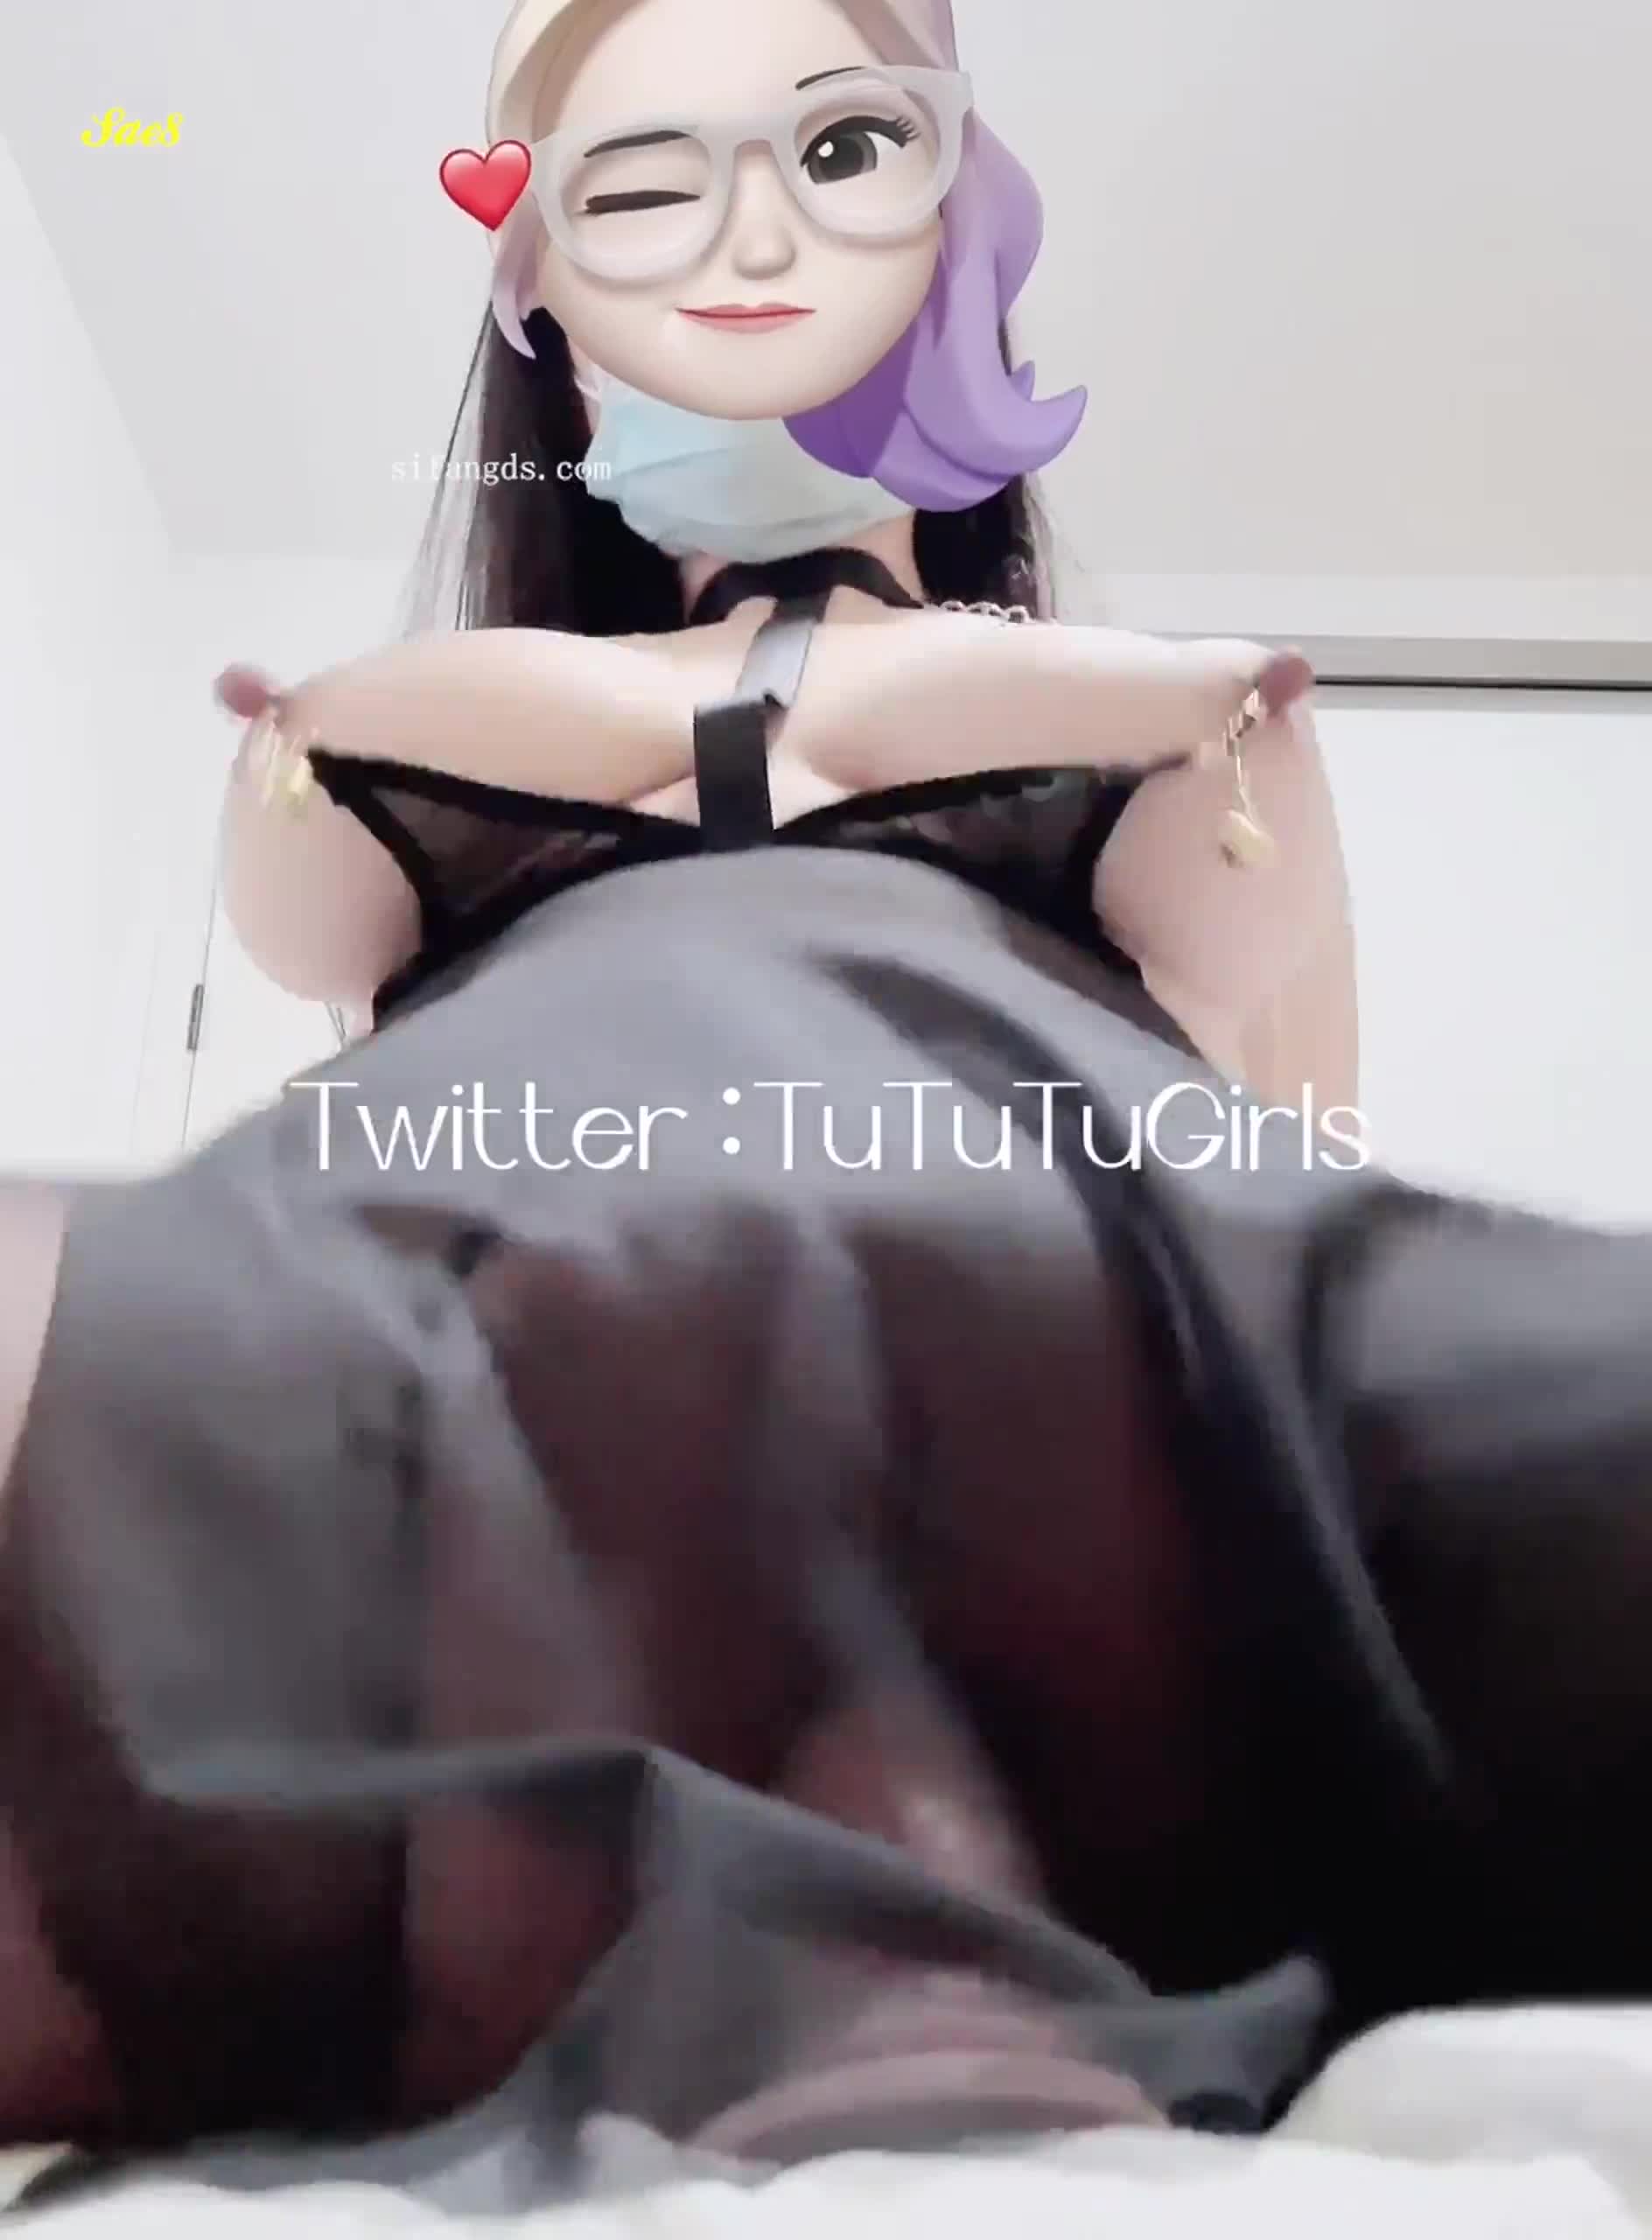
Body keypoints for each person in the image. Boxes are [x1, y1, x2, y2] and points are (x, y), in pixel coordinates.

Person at [0, 0, 1648, 2200]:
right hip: (453, 1329)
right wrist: (854, 710)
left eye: (844, 151)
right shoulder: (416, 736)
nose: (747, 235)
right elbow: (315, 851)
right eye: (640, 184)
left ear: (956, 236)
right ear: (544, 304)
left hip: (1096, 1337)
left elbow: (1290, 1140)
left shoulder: (1183, 737)